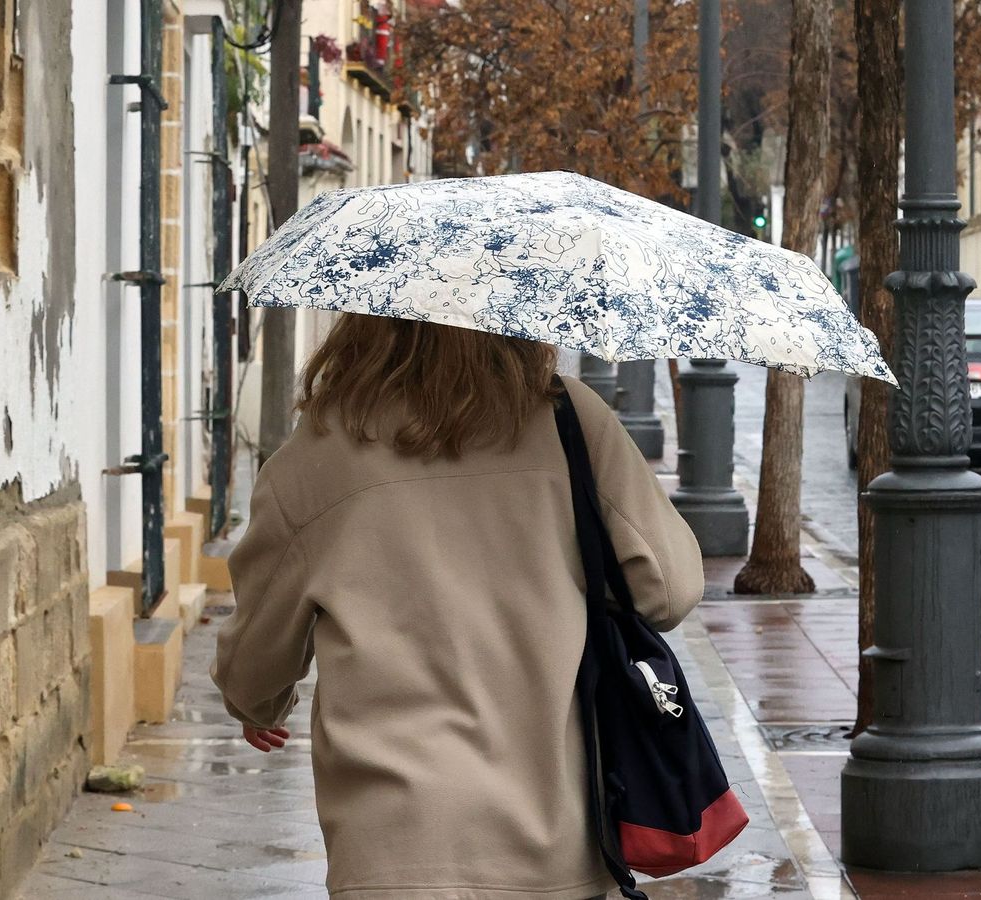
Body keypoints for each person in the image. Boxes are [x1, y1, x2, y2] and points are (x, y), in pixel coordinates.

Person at [212, 316, 704, 899]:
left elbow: (259, 644)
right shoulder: (570, 420)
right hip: (552, 830)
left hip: (392, 844)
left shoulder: (318, 451)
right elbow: (669, 590)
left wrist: (259, 702)